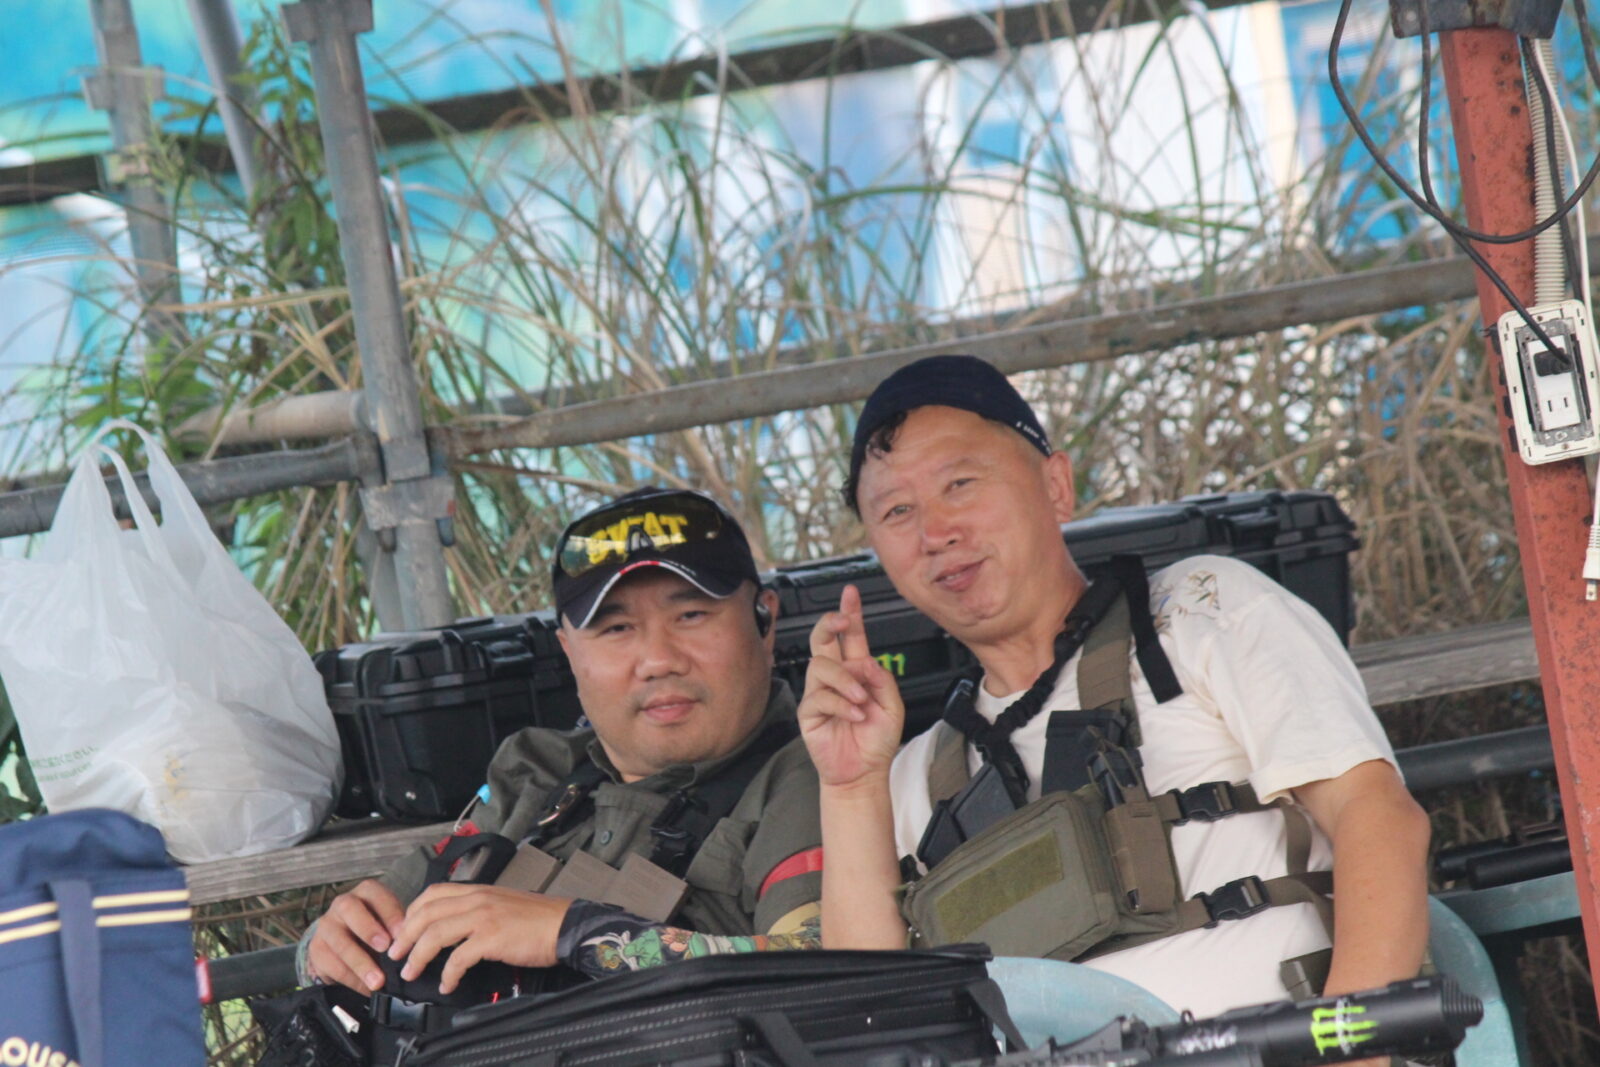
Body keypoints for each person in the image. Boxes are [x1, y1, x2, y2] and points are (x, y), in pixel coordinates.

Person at [798, 354, 1430, 1026]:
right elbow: (874, 1015)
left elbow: (1378, 821)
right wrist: (850, 789)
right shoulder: (915, 776)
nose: (935, 533)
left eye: (960, 483)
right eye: (897, 510)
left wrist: (1353, 1049)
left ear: (1055, 485)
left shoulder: (1201, 611)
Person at [302, 486, 823, 999]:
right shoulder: (540, 771)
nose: (658, 660)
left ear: (765, 621)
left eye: (691, 616)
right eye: (617, 628)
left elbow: (823, 969)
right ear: (569, 651)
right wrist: (325, 947)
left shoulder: (815, 780)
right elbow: (377, 922)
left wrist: (577, 934)